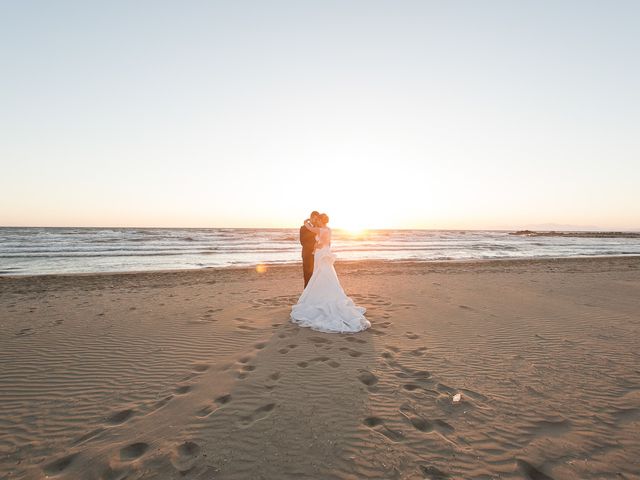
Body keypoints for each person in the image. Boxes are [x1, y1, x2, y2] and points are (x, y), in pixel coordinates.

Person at [291, 213, 370, 333]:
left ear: (321, 221)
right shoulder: (328, 229)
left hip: (320, 253)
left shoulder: (320, 229)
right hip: (325, 253)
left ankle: (316, 297)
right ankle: (325, 294)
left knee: (319, 275)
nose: (316, 221)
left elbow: (313, 233)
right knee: (325, 275)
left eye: (318, 219)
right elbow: (327, 243)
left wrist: (306, 223)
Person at [300, 211, 319, 287]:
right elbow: (303, 242)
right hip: (307, 254)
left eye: (317, 219)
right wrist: (313, 247)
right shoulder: (303, 228)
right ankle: (306, 292)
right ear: (310, 218)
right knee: (307, 275)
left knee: (316, 275)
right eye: (314, 219)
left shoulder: (318, 228)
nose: (315, 221)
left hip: (317, 254)